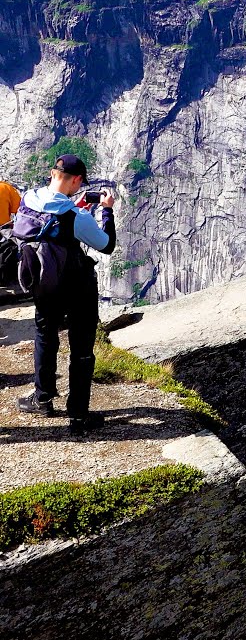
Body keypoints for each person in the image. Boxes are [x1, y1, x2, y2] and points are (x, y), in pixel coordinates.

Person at [15, 154, 116, 432]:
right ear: (77, 180)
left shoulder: (29, 199)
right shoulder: (77, 217)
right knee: (81, 347)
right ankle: (79, 416)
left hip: (42, 282)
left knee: (45, 337)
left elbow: (52, 217)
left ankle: (42, 398)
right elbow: (106, 245)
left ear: (52, 173)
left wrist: (74, 204)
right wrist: (106, 210)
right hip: (76, 287)